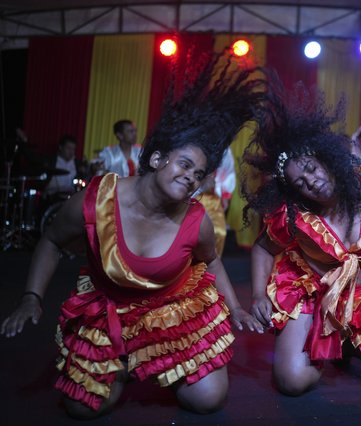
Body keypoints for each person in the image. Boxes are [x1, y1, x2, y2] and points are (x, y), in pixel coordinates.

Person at [0, 51, 264, 418]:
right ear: (156, 159)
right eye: (184, 164)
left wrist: (235, 307)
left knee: (207, 400)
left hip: (172, 313)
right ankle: (125, 360)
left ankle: (160, 359)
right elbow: (52, 241)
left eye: (198, 174)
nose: (190, 177)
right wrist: (32, 297)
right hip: (109, 311)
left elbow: (212, 261)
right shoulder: (94, 201)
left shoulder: (197, 219)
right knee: (82, 407)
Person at [243, 82, 361, 396]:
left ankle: (351, 343)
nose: (312, 183)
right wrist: (258, 295)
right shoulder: (293, 215)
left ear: (326, 159)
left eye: (312, 170)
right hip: (314, 298)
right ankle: (320, 337)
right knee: (293, 382)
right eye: (301, 183)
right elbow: (263, 248)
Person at [197, 148, 236, 256]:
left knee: (220, 232)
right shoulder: (197, 141)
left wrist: (225, 194)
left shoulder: (225, 149)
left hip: (213, 198)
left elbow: (228, 172)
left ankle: (210, 267)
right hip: (194, 196)